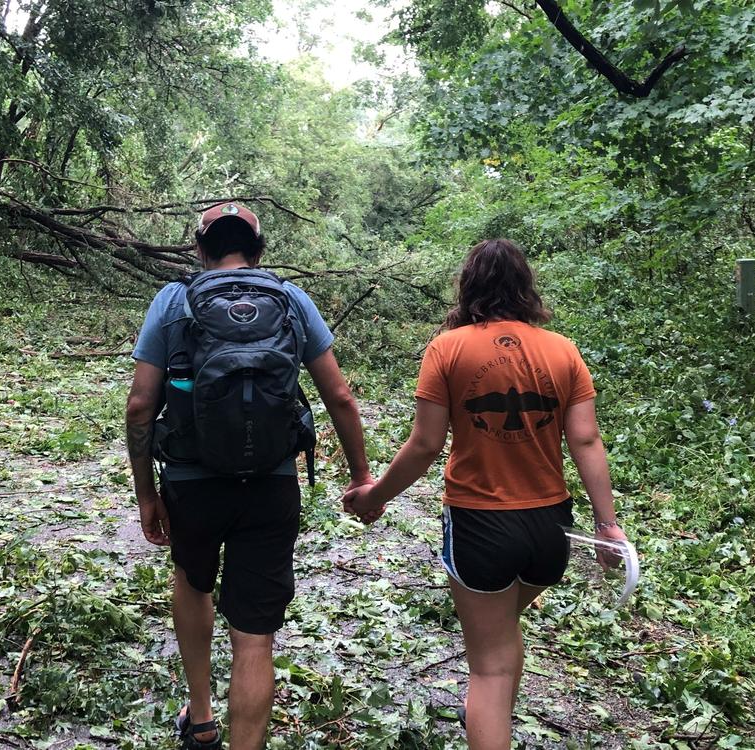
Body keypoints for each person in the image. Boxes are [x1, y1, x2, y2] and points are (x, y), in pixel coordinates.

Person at [343, 238, 628, 750]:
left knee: (490, 669)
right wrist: (607, 526)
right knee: (502, 639)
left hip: (480, 524)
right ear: (525, 286)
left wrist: (373, 495)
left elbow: (426, 444)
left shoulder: (447, 348)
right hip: (550, 528)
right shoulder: (562, 350)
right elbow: (585, 438)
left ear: (467, 285)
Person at [126, 201, 373, 750]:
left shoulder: (174, 300)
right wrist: (361, 475)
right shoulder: (290, 299)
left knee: (192, 583)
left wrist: (146, 494)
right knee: (255, 637)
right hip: (270, 480)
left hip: (191, 482)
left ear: (199, 249)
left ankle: (203, 718)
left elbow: (141, 406)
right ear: (259, 252)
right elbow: (340, 396)